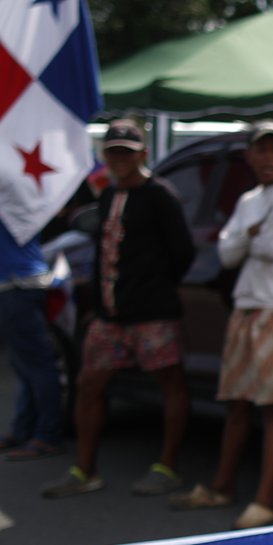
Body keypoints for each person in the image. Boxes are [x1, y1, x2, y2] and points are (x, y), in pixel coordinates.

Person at [169, 121, 273, 530]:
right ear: (249, 157)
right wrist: (250, 234)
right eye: (260, 150)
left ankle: (264, 500)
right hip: (246, 306)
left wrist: (247, 236)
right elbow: (228, 252)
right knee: (236, 401)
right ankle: (223, 485)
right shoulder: (251, 199)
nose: (268, 157)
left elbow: (268, 246)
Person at [44, 119, 196, 499]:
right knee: (89, 385)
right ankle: (85, 469)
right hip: (110, 317)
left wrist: (155, 288)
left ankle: (167, 466)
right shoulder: (109, 195)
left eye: (127, 152)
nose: (119, 159)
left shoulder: (161, 196)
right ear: (105, 156)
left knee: (171, 385)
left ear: (143, 155)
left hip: (154, 313)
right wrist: (100, 304)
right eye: (113, 152)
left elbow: (183, 252)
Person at [0, 173, 66, 462]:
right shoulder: (8, 182)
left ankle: (47, 435)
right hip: (14, 283)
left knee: (37, 365)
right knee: (25, 365)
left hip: (16, 284)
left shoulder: (5, 181)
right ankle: (24, 429)